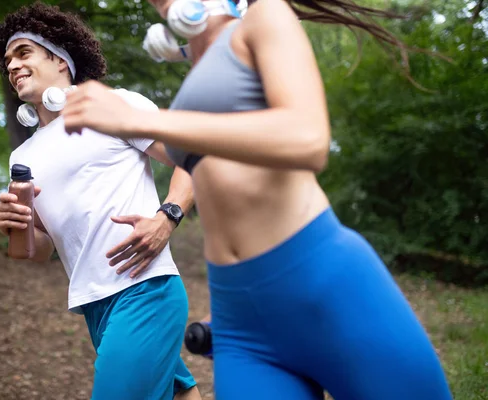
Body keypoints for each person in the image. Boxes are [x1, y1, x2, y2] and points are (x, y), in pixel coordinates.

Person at [60, 0, 454, 399]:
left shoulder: (265, 14)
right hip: (240, 316)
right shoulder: (200, 61)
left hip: (317, 281)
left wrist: (139, 118)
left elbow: (308, 137)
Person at [0, 3, 202, 399]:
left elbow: (191, 157)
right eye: (7, 60)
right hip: (93, 304)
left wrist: (168, 216)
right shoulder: (23, 158)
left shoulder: (113, 106)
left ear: (60, 59)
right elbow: (36, 252)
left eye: (23, 53)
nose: (12, 66)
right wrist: (17, 226)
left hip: (146, 290)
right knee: (179, 392)